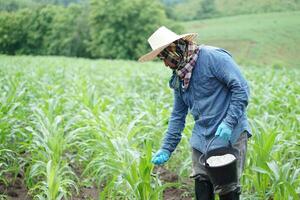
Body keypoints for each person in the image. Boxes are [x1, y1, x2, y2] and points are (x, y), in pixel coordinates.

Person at [138, 26, 251, 200]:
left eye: (164, 57)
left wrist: (229, 122)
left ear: (174, 51)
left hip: (228, 134)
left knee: (228, 188)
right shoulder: (180, 76)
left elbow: (241, 89)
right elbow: (178, 115)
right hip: (202, 138)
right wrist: (167, 148)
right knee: (202, 187)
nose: (165, 64)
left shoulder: (214, 58)